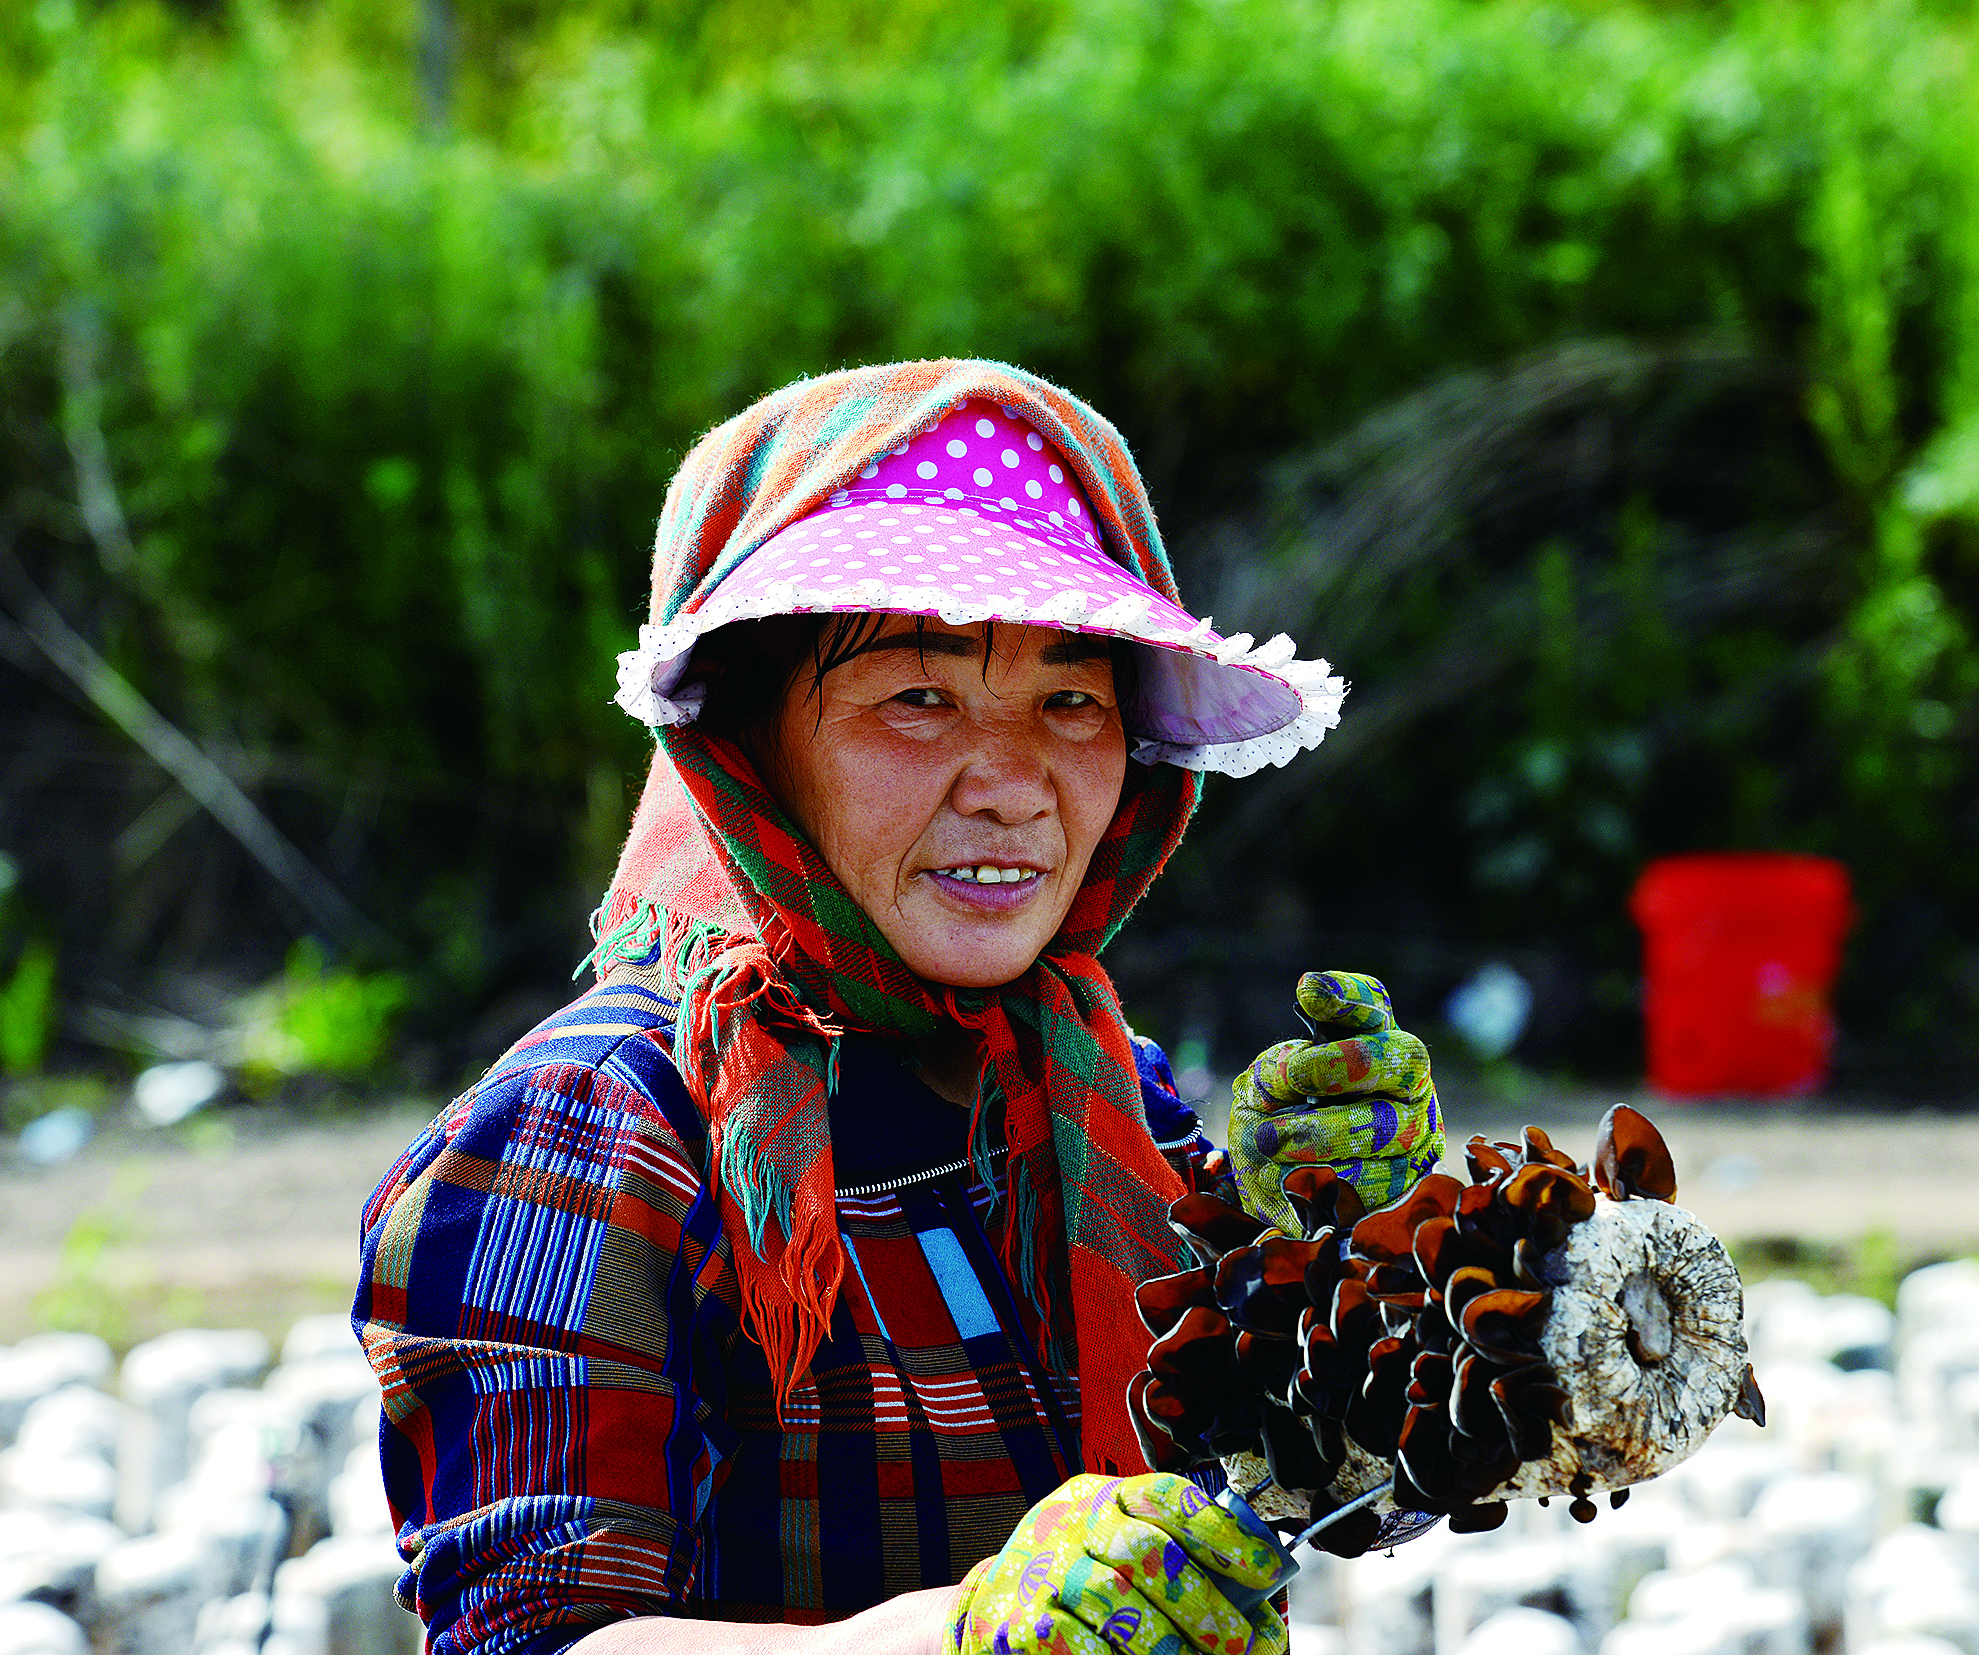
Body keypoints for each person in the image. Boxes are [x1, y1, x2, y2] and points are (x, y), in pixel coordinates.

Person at [353, 361, 1444, 1655]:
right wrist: (954, 1638)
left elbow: (1315, 1497)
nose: (1011, 782)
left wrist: (1344, 1262)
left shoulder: (1101, 1096)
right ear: (750, 747)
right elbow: (528, 1638)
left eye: (1070, 700)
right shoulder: (596, 1130)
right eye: (916, 697)